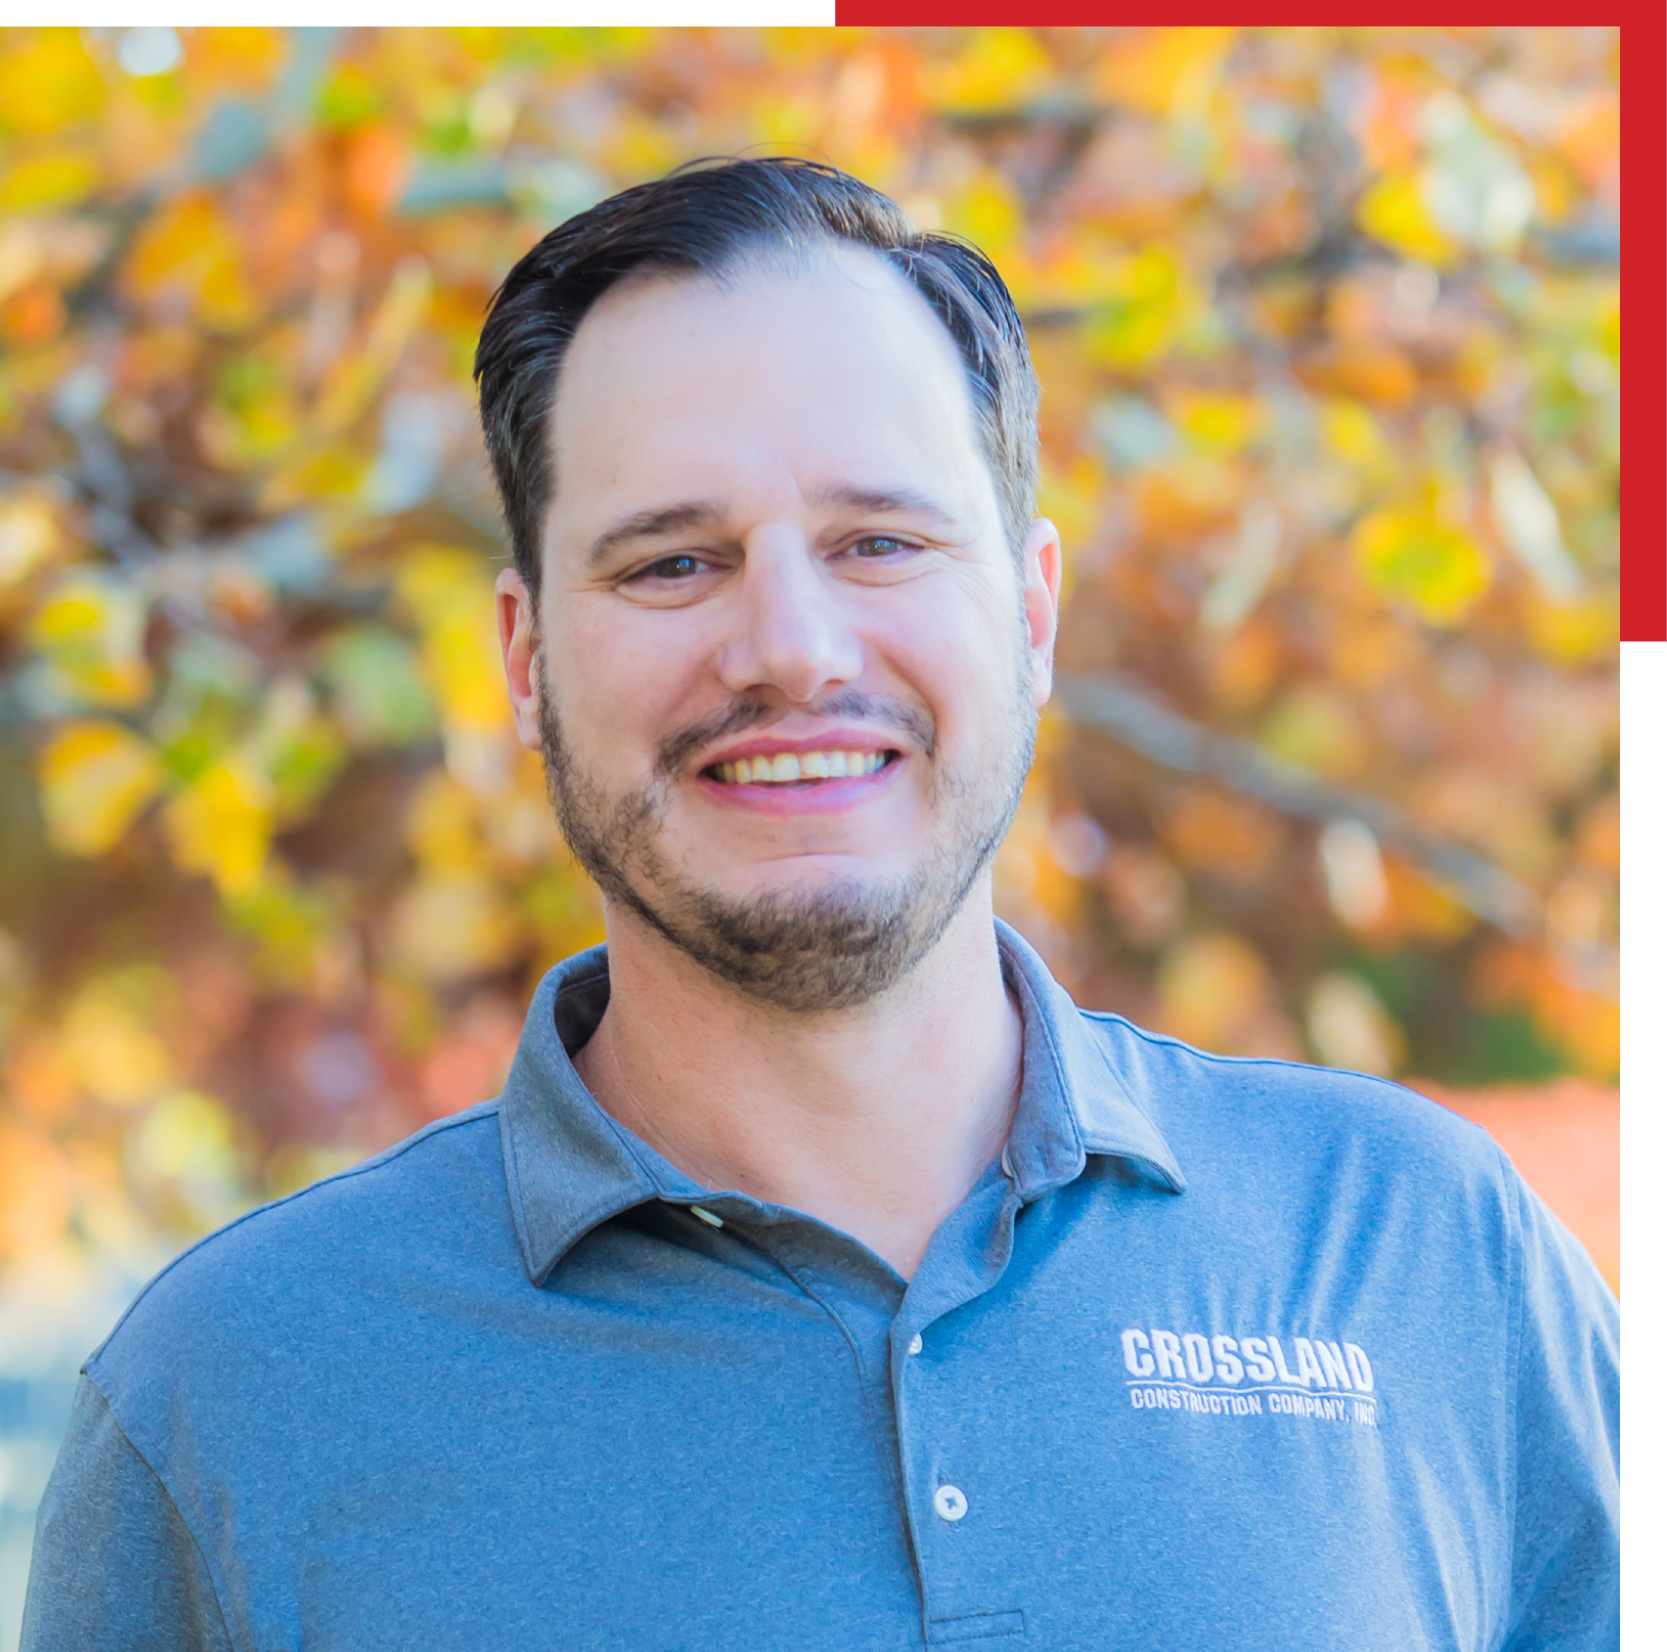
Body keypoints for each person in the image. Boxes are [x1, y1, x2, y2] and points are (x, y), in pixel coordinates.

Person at [22, 157, 1621, 1650]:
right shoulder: (231, 1391)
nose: (790, 646)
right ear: (523, 657)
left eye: (878, 540)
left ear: (1031, 612)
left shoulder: (1417, 1249)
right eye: (670, 562)